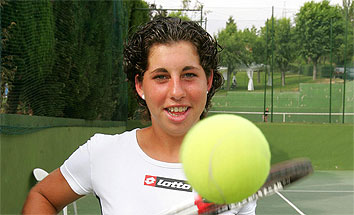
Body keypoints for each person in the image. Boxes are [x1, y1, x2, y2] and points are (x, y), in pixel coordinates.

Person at [22, 17, 256, 214]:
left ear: (209, 80)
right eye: (161, 77)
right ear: (140, 86)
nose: (176, 92)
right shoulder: (102, 153)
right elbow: (43, 196)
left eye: (189, 75)